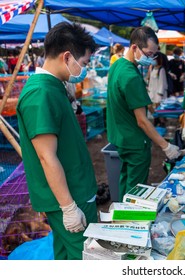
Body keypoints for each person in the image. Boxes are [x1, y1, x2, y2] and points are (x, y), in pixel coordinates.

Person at [16, 22, 98, 260]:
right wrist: (69, 207)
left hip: (76, 187)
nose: (84, 70)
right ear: (67, 57)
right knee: (85, 256)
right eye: (83, 64)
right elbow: (46, 156)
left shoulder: (54, 86)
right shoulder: (41, 93)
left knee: (64, 254)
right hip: (69, 195)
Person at [107, 26, 180, 201]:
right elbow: (142, 121)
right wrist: (166, 146)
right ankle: (128, 223)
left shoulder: (118, 65)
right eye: (148, 54)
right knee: (135, 192)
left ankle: (120, 215)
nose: (151, 59)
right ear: (134, 47)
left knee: (126, 181)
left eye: (154, 55)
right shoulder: (130, 76)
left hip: (120, 137)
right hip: (134, 142)